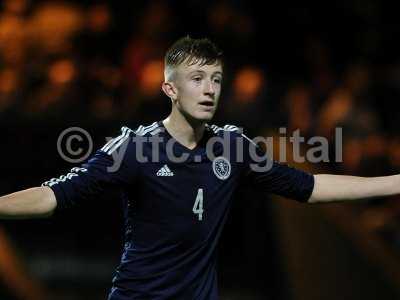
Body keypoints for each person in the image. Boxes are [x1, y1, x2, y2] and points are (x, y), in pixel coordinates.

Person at [0, 36, 400, 300]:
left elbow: (310, 187)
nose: (209, 89)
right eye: (197, 79)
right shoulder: (135, 147)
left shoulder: (233, 146)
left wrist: (394, 181)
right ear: (170, 89)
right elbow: (51, 196)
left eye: (216, 79)